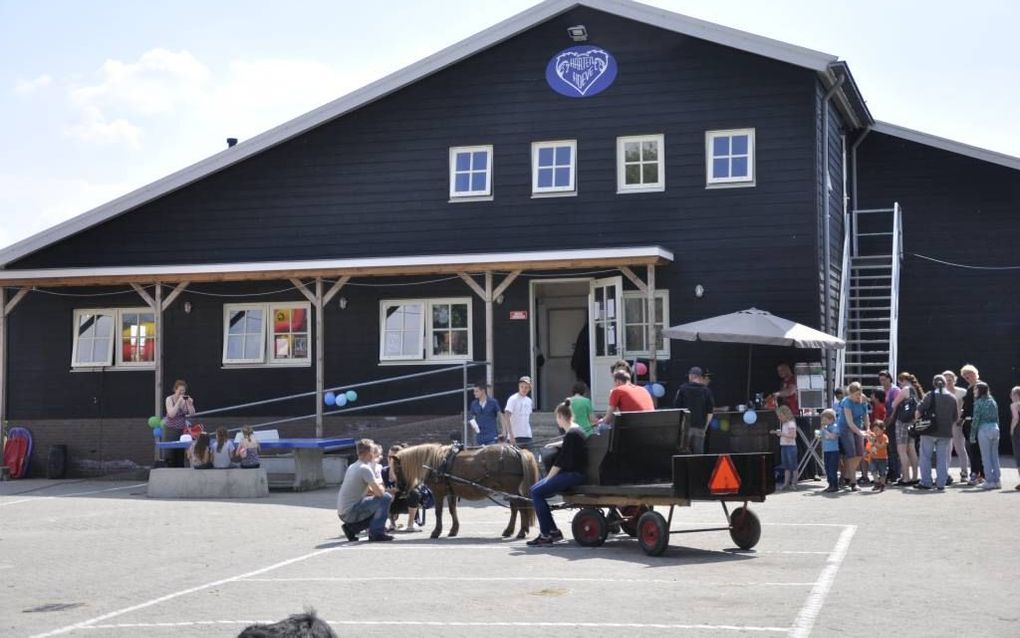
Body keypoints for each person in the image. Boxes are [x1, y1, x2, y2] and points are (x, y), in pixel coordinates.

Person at [527, 400, 588, 546]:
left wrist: (548, 478)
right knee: (534, 490)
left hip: (574, 475)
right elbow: (568, 444)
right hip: (577, 472)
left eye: (557, 418)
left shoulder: (571, 434)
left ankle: (546, 534)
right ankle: (553, 531)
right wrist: (554, 444)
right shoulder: (576, 429)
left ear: (561, 416)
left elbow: (560, 462)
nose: (557, 421)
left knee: (536, 492)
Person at [337, 438, 394, 542]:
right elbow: (380, 493)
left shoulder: (353, 466)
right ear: (369, 453)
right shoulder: (365, 468)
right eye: (373, 451)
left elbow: (369, 491)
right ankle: (377, 533)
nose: (375, 454)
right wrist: (380, 483)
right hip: (350, 512)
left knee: (377, 504)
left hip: (343, 511)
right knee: (386, 498)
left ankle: (352, 528)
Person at [914, 375, 959, 491]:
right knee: (943, 458)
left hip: (929, 430)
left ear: (934, 384)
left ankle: (926, 482)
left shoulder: (930, 395)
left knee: (925, 457)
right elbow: (955, 417)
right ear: (945, 383)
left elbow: (918, 411)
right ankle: (941, 483)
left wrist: (917, 423)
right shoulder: (952, 398)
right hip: (945, 432)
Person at [673, 366, 715, 454]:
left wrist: (679, 428)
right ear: (700, 377)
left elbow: (676, 410)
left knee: (683, 454)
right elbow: (710, 412)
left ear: (691, 376)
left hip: (685, 428)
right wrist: (705, 428)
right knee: (698, 455)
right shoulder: (706, 391)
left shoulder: (682, 389)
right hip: (700, 427)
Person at [890, 372, 922, 486]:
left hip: (902, 422)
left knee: (902, 451)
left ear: (903, 380)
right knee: (912, 450)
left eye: (899, 382)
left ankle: (906, 478)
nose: (899, 384)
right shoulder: (916, 390)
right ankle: (914, 476)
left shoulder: (905, 390)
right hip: (912, 421)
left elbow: (894, 404)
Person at [837, 382, 870, 492]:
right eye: (856, 394)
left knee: (860, 454)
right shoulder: (846, 402)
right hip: (846, 428)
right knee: (851, 454)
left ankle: (847, 475)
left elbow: (866, 415)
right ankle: (853, 482)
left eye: (859, 394)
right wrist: (860, 433)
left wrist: (868, 429)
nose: (858, 397)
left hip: (858, 426)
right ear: (850, 394)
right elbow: (849, 422)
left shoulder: (863, 399)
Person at [970, 382, 1001, 490]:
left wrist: (972, 435)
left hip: (984, 430)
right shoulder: (993, 401)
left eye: (975, 389)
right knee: (994, 456)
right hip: (995, 428)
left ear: (979, 390)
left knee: (986, 457)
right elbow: (997, 417)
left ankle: (989, 481)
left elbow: (976, 419)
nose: (974, 391)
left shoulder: (978, 402)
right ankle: (997, 480)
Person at [383, 444, 421, 533]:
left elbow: (414, 486)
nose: (391, 460)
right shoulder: (383, 471)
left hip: (405, 502)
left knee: (414, 494)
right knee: (386, 496)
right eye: (389, 457)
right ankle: (391, 523)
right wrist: (389, 491)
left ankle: (410, 524)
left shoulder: (408, 471)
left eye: (394, 458)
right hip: (390, 502)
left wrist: (398, 489)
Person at [942, 370, 969, 483]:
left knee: (960, 448)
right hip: (945, 424)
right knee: (946, 449)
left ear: (954, 380)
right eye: (946, 380)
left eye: (950, 380)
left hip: (957, 423)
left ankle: (964, 472)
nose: (948, 382)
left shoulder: (962, 392)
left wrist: (961, 417)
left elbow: (967, 406)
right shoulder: (941, 393)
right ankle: (945, 473)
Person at [959, 364, 984, 485]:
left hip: (976, 422)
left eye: (969, 375)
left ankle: (977, 474)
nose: (967, 377)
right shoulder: (969, 388)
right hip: (968, 423)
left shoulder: (980, 386)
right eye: (965, 376)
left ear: (975, 373)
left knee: (975, 449)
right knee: (971, 449)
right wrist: (962, 418)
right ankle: (978, 474)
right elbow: (967, 406)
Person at [878, 370, 901, 481]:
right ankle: (890, 471)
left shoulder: (894, 390)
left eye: (884, 379)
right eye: (880, 380)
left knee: (893, 448)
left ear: (889, 379)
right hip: (884, 422)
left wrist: (891, 419)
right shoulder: (882, 391)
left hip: (893, 421)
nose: (882, 382)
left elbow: (896, 407)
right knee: (887, 448)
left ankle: (896, 472)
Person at [771, 405, 798, 490]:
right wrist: (777, 433)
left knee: (793, 466)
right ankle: (786, 483)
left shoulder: (791, 423)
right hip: (784, 446)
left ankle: (794, 483)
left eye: (780, 416)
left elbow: (793, 436)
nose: (779, 418)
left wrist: (782, 434)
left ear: (786, 414)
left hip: (791, 447)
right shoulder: (784, 424)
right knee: (786, 467)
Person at [503, 377, 534, 446]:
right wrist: (511, 435)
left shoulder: (529, 401)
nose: (524, 389)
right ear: (519, 387)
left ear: (529, 388)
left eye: (526, 387)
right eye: (522, 387)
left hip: (527, 436)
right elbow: (507, 417)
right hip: (515, 436)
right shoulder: (513, 399)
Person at [819, 409, 840, 493]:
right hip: (826, 450)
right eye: (822, 420)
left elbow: (833, 437)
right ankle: (830, 484)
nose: (823, 421)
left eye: (825, 419)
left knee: (832, 468)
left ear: (831, 419)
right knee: (827, 468)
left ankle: (835, 485)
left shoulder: (834, 426)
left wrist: (825, 430)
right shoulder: (826, 427)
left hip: (833, 451)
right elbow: (822, 436)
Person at [866, 422, 889, 492]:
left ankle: (882, 484)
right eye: (874, 430)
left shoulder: (884, 437)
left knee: (882, 472)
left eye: (877, 430)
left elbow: (882, 446)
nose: (875, 432)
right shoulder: (873, 437)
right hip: (873, 458)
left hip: (882, 458)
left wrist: (874, 442)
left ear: (882, 430)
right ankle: (876, 483)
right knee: (873, 471)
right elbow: (868, 446)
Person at [1009, 386, 1020, 491]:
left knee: (1018, 455)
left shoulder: (1014, 405)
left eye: (1012, 394)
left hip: (1018, 431)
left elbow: (1016, 418)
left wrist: (1011, 430)